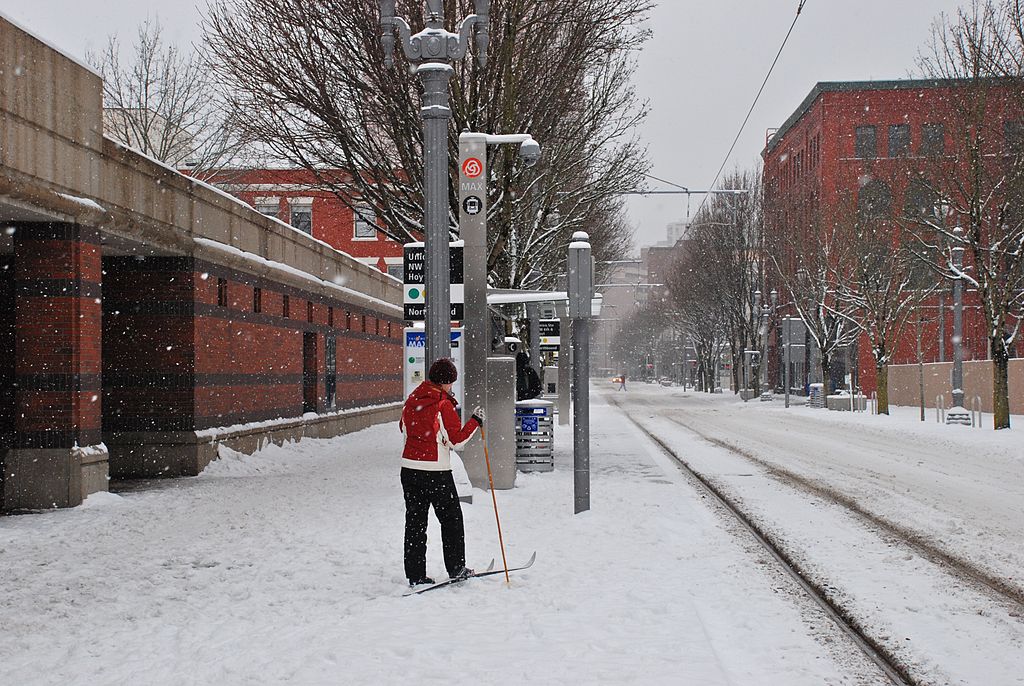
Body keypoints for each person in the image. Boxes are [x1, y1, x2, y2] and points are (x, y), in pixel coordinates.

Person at [399, 357, 485, 587]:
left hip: (409, 469)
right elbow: (456, 441)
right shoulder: (442, 403)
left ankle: (415, 574)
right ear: (445, 382)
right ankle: (456, 568)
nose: (451, 387)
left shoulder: (412, 399)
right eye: (450, 383)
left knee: (415, 523)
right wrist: (475, 422)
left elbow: (403, 428)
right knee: (451, 520)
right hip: (435, 471)